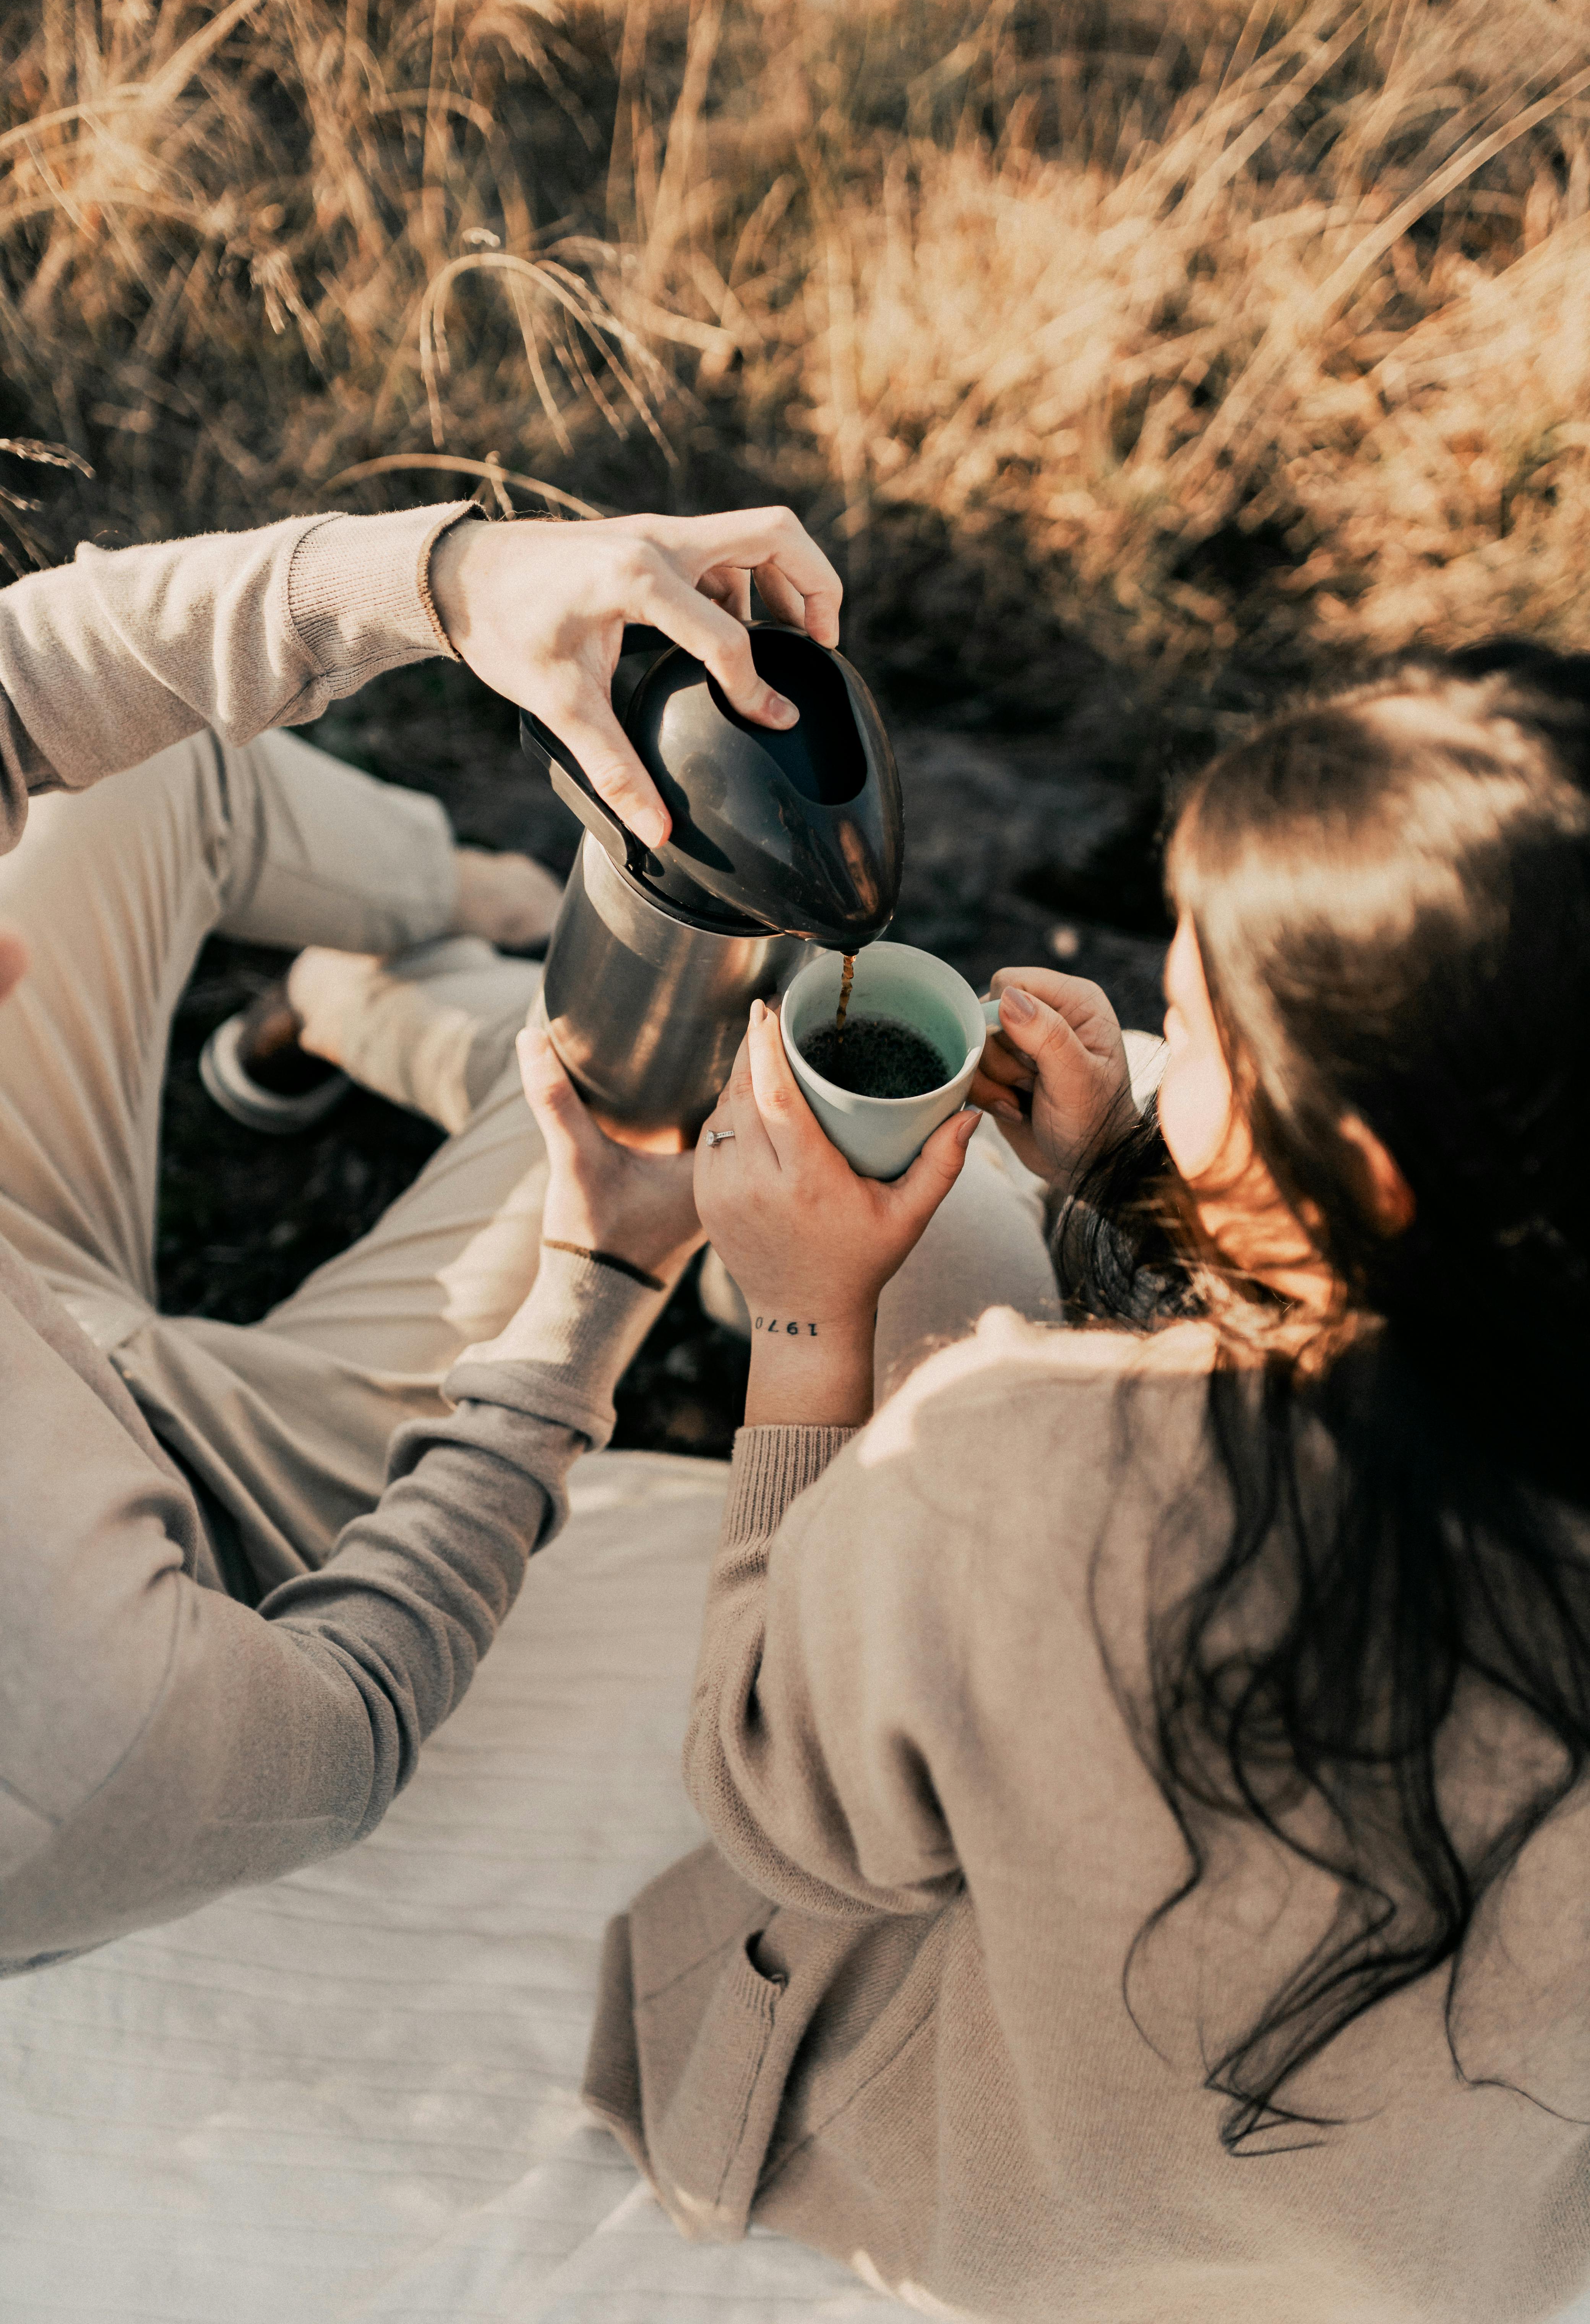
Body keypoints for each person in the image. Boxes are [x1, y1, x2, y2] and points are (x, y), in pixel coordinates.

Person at [551, 659, 1590, 2324]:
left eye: (1211, 1034)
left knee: (936, 1263)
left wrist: (806, 1316)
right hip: (1444, 2258)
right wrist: (1134, 1180)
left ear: (1366, 1174)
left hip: (1016, 2211)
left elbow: (778, 1808)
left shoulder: (1013, 1471)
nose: (1176, 1050)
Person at [0, 495, 844, 1969]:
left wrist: (450, 579)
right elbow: (353, 1716)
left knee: (127, 775)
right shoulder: (75, 1751)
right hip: (169, 1528)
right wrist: (604, 1286)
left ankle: (462, 916)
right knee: (661, 1111)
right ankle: (374, 1001)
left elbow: (19, 686)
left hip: (36, 1308)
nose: (5, 949)